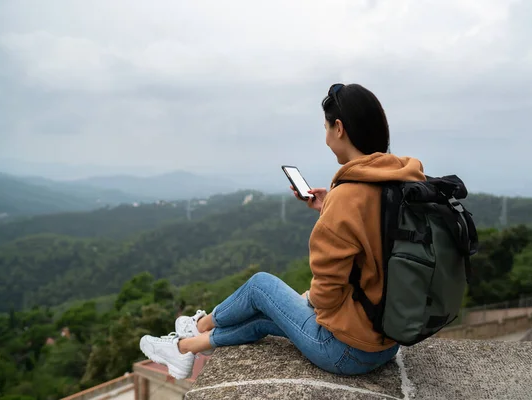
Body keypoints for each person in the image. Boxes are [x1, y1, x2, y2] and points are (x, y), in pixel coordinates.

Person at [139, 83, 426, 380]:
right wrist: (329, 207)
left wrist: (309, 300)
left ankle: (198, 326)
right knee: (265, 318)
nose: (326, 137)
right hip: (386, 342)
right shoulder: (397, 184)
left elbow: (326, 297)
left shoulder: (349, 197)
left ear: (339, 128)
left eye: (326, 128)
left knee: (261, 286)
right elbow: (374, 241)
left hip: (345, 350)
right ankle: (186, 347)